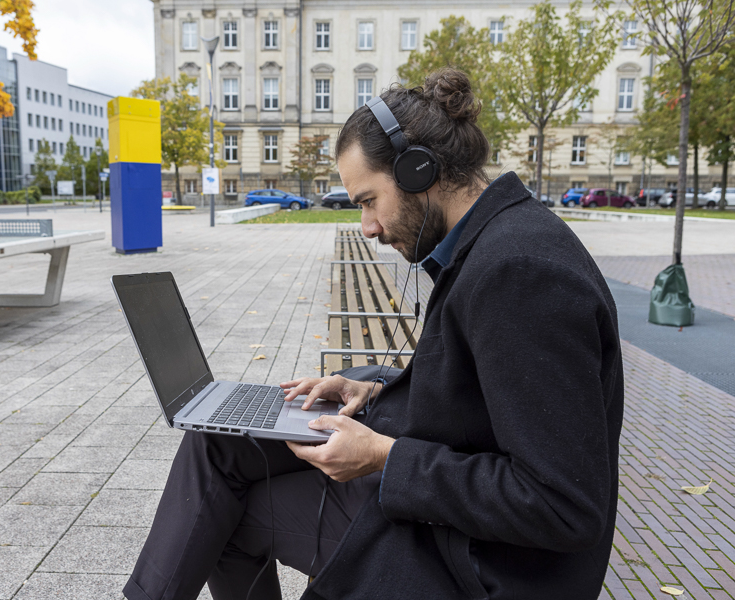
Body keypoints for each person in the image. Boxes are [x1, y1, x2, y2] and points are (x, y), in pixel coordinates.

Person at [122, 68, 624, 600]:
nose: (366, 226)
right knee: (216, 443)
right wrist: (375, 388)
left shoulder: (519, 273)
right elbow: (484, 398)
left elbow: (563, 506)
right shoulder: (496, 242)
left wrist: (383, 455)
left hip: (479, 561)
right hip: (453, 512)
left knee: (221, 512)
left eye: (367, 200)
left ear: (417, 170)